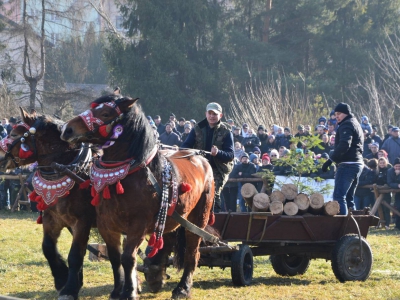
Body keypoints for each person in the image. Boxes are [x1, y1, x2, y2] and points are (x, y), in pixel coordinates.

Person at [181, 102, 234, 213]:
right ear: (206, 114)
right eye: (210, 113)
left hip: (218, 170)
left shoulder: (226, 131)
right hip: (198, 169)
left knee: (212, 196)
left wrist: (218, 153)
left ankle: (215, 221)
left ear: (220, 115)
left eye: (214, 114)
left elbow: (230, 155)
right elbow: (185, 147)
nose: (212, 116)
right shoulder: (197, 128)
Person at [322, 103, 364, 215]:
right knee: (349, 198)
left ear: (346, 113)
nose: (336, 116)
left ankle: (343, 228)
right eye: (335, 114)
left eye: (339, 113)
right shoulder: (355, 123)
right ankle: (354, 227)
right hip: (357, 163)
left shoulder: (346, 124)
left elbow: (345, 145)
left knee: (339, 196)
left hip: (348, 164)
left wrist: (330, 160)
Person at [376, 157, 392, 229]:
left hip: (386, 192)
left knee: (386, 208)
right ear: (378, 163)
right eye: (380, 163)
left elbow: (388, 181)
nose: (382, 164)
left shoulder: (388, 171)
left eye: (383, 163)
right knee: (379, 208)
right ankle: (379, 223)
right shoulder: (377, 171)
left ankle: (387, 224)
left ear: (386, 163)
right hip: (377, 192)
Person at [387, 157, 400, 230]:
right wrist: (397, 185)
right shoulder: (390, 171)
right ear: (394, 166)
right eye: (396, 166)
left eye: (399, 166)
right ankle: (398, 225)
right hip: (397, 193)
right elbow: (389, 182)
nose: (398, 167)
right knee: (398, 207)